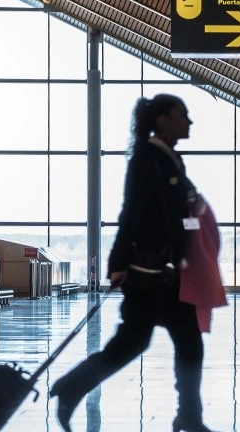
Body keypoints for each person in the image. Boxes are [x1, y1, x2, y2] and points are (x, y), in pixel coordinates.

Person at [49, 94, 213, 432]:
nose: (190, 121)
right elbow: (131, 210)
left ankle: (190, 416)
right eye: (184, 114)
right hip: (146, 275)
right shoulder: (147, 158)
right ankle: (71, 387)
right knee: (132, 344)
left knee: (189, 342)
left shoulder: (169, 159)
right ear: (163, 119)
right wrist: (117, 263)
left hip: (167, 276)